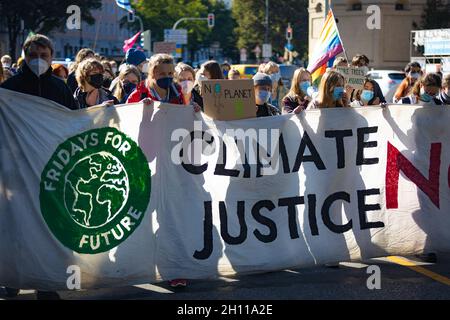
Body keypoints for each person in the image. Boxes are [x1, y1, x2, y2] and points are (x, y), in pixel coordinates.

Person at [1, 34, 78, 111]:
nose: (38, 59)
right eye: (33, 55)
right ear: (26, 57)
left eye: (44, 55)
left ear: (51, 57)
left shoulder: (61, 88)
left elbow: (72, 117)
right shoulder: (9, 87)